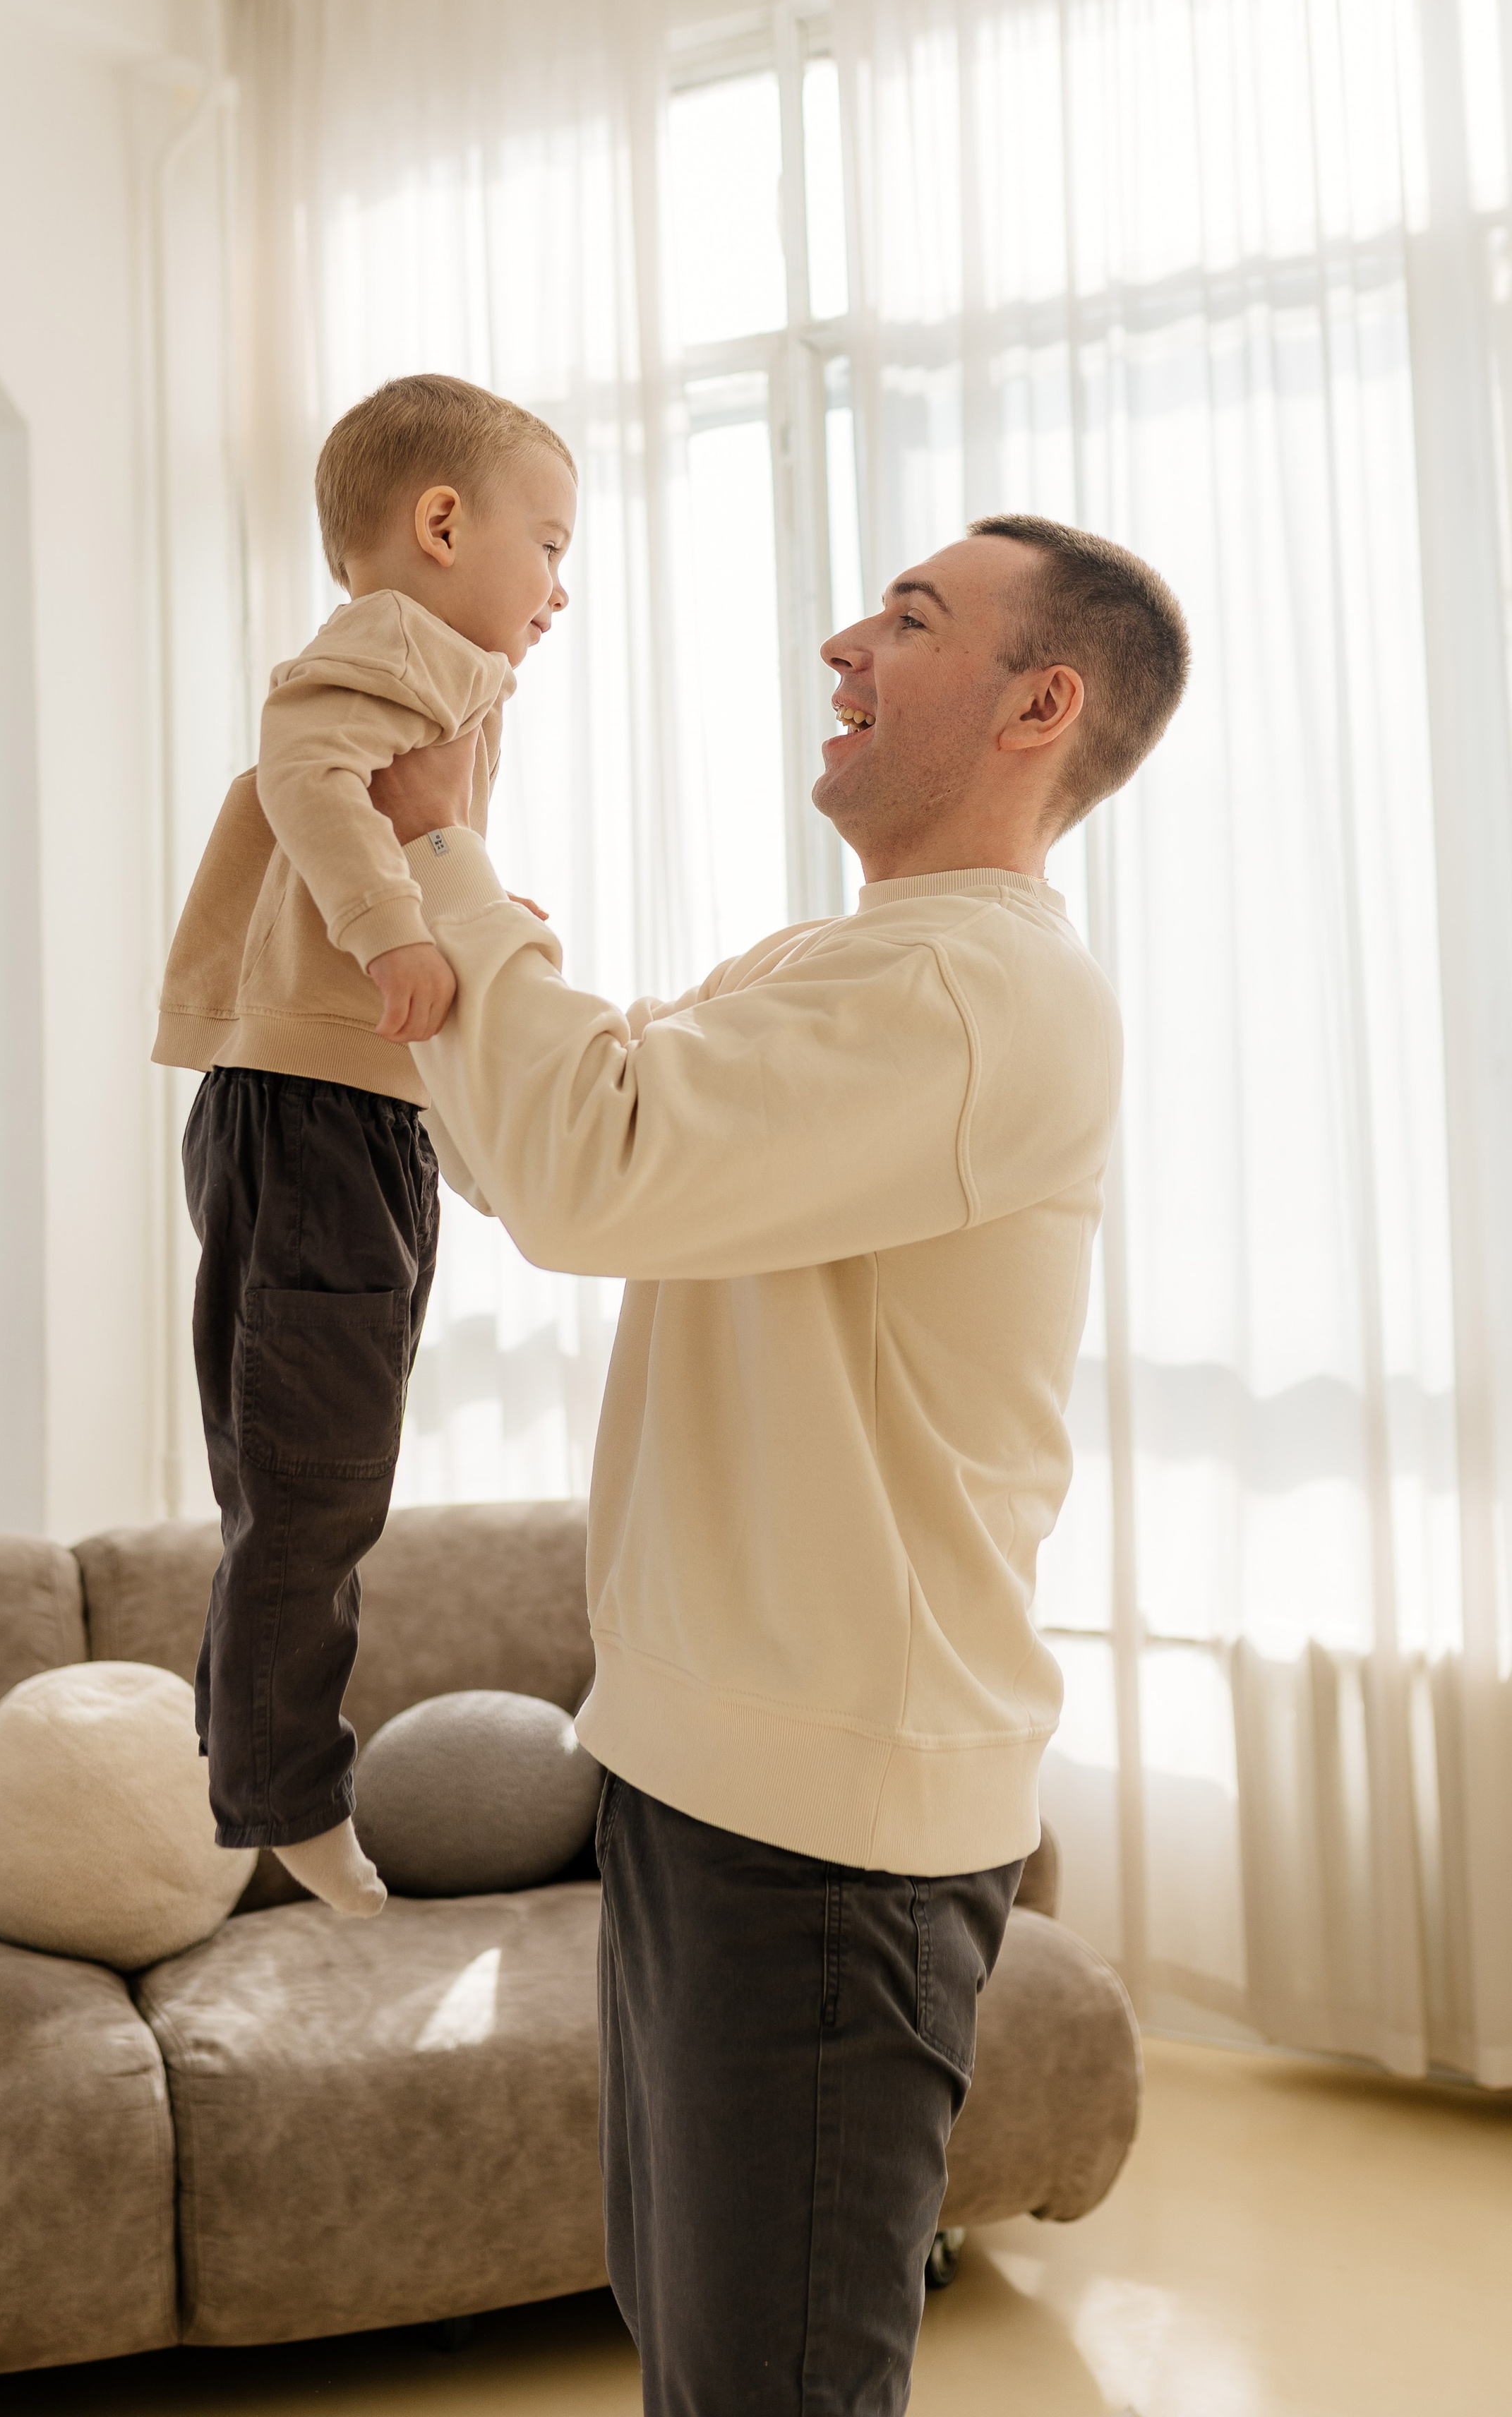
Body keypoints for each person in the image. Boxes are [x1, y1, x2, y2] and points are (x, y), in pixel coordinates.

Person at [364, 515, 1189, 2411]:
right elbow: (537, 1147)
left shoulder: (981, 999)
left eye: (908, 620)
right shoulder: (833, 961)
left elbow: (589, 1168)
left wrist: (442, 847)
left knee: (772, 2388)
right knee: (701, 2348)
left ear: (1038, 705)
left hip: (829, 1831)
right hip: (692, 1770)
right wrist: (408, 939)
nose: (843, 642)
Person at [153, 373, 575, 1916]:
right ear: (440, 523)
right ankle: (281, 1790)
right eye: (547, 541)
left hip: (344, 1118)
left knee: (309, 1471)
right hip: (315, 1121)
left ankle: (240, 1742)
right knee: (314, 1479)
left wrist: (465, 909)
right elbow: (311, 779)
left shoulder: (444, 673)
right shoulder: (400, 642)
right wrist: (400, 930)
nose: (559, 585)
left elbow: (384, 825)